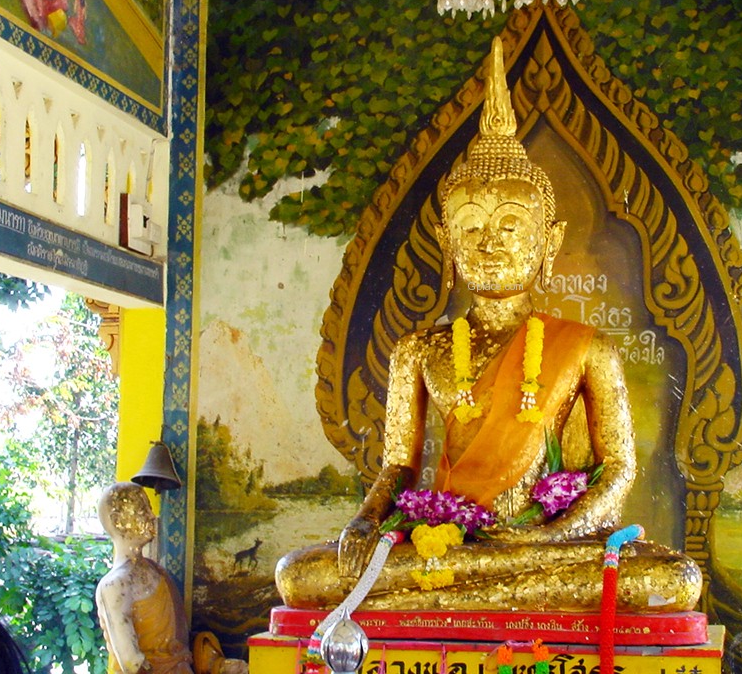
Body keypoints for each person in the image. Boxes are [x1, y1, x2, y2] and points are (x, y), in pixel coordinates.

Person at [275, 37, 702, 613]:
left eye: (511, 225)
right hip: (448, 540)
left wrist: (552, 535)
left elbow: (619, 469)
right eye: (471, 227)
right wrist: (365, 520)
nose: (490, 243)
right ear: (447, 243)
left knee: (674, 580)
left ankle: (439, 599)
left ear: (548, 241)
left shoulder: (587, 349)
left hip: (551, 546)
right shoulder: (419, 350)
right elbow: (399, 465)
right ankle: (479, 591)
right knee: (299, 576)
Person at [96, 482, 247, 674]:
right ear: (117, 520)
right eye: (143, 510)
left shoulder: (157, 571)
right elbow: (131, 663)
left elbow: (178, 645)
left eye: (149, 509)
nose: (152, 516)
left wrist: (215, 664)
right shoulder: (115, 585)